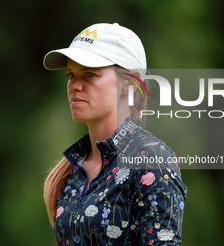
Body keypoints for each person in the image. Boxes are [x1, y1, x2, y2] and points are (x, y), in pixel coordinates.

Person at [43, 23, 187, 246]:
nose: (74, 86)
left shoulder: (151, 160)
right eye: (71, 75)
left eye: (89, 74)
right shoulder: (71, 172)